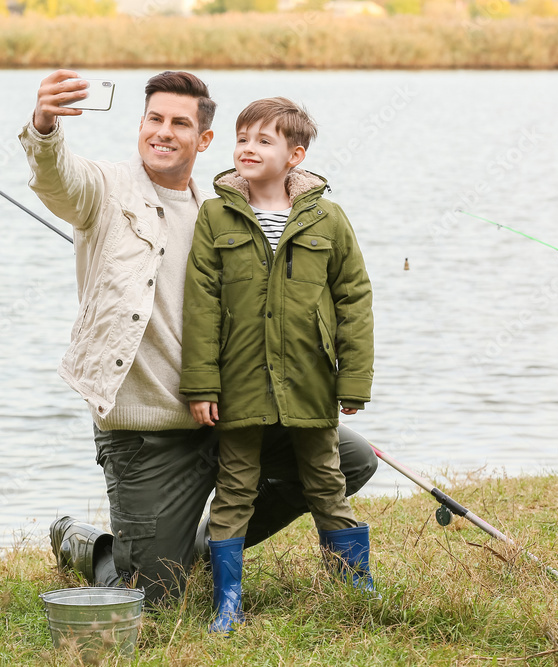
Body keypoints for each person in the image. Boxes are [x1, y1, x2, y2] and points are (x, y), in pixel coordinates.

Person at [19, 71, 378, 603]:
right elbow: (58, 179)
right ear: (140, 125)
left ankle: (206, 549)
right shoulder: (104, 189)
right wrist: (44, 125)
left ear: (205, 140)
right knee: (155, 595)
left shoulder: (223, 212)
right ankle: (89, 545)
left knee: (352, 459)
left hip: (232, 414)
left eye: (179, 123)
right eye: (154, 119)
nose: (163, 132)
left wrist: (317, 387)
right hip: (148, 438)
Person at [181, 97, 376, 632]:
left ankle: (352, 589)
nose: (247, 148)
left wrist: (353, 379)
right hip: (239, 386)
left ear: (295, 155)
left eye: (263, 141)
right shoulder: (215, 215)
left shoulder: (327, 218)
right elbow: (200, 306)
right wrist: (201, 383)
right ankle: (227, 602)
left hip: (312, 385)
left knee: (327, 484)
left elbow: (354, 299)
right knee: (235, 489)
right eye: (242, 138)